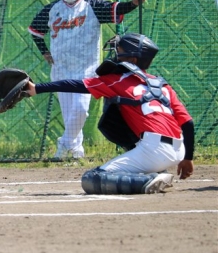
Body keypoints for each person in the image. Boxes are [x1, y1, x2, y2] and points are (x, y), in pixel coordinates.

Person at [24, 33, 194, 194]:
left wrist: (36, 88)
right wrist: (188, 158)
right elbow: (188, 123)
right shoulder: (163, 85)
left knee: (94, 178)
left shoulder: (118, 80)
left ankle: (150, 179)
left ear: (133, 59)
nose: (116, 55)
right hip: (179, 150)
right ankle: (157, 171)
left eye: (120, 52)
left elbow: (75, 85)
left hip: (154, 150)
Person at [28, 0, 148, 159]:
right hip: (60, 69)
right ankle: (76, 151)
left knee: (80, 110)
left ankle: (64, 144)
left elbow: (117, 9)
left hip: (85, 70)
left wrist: (133, 3)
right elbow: (35, 31)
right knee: (70, 115)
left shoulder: (92, 6)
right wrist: (44, 51)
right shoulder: (52, 9)